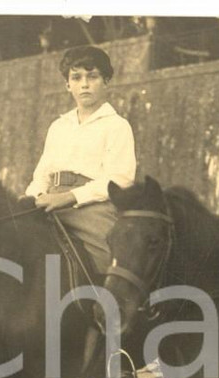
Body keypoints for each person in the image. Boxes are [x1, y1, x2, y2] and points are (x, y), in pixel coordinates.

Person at [20, 45, 136, 273]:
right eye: (76, 77)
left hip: (91, 207)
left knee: (109, 257)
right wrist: (32, 197)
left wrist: (69, 197)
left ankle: (103, 295)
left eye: (92, 76)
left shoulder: (116, 125)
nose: (84, 84)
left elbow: (120, 179)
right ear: (67, 84)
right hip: (49, 201)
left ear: (106, 81)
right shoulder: (59, 126)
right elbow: (42, 174)